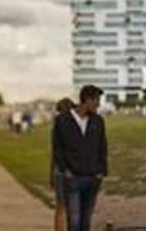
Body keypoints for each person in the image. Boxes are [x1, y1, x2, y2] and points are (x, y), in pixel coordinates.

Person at [52, 85, 108, 231]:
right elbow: (58, 148)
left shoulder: (98, 121)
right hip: (73, 179)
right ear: (87, 100)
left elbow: (102, 147)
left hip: (93, 177)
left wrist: (102, 171)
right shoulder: (62, 120)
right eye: (97, 101)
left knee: (86, 221)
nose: (99, 104)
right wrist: (65, 170)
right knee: (74, 221)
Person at [50, 98, 76, 231]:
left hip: (59, 171)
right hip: (72, 171)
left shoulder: (56, 125)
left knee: (60, 208)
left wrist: (50, 175)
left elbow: (54, 153)